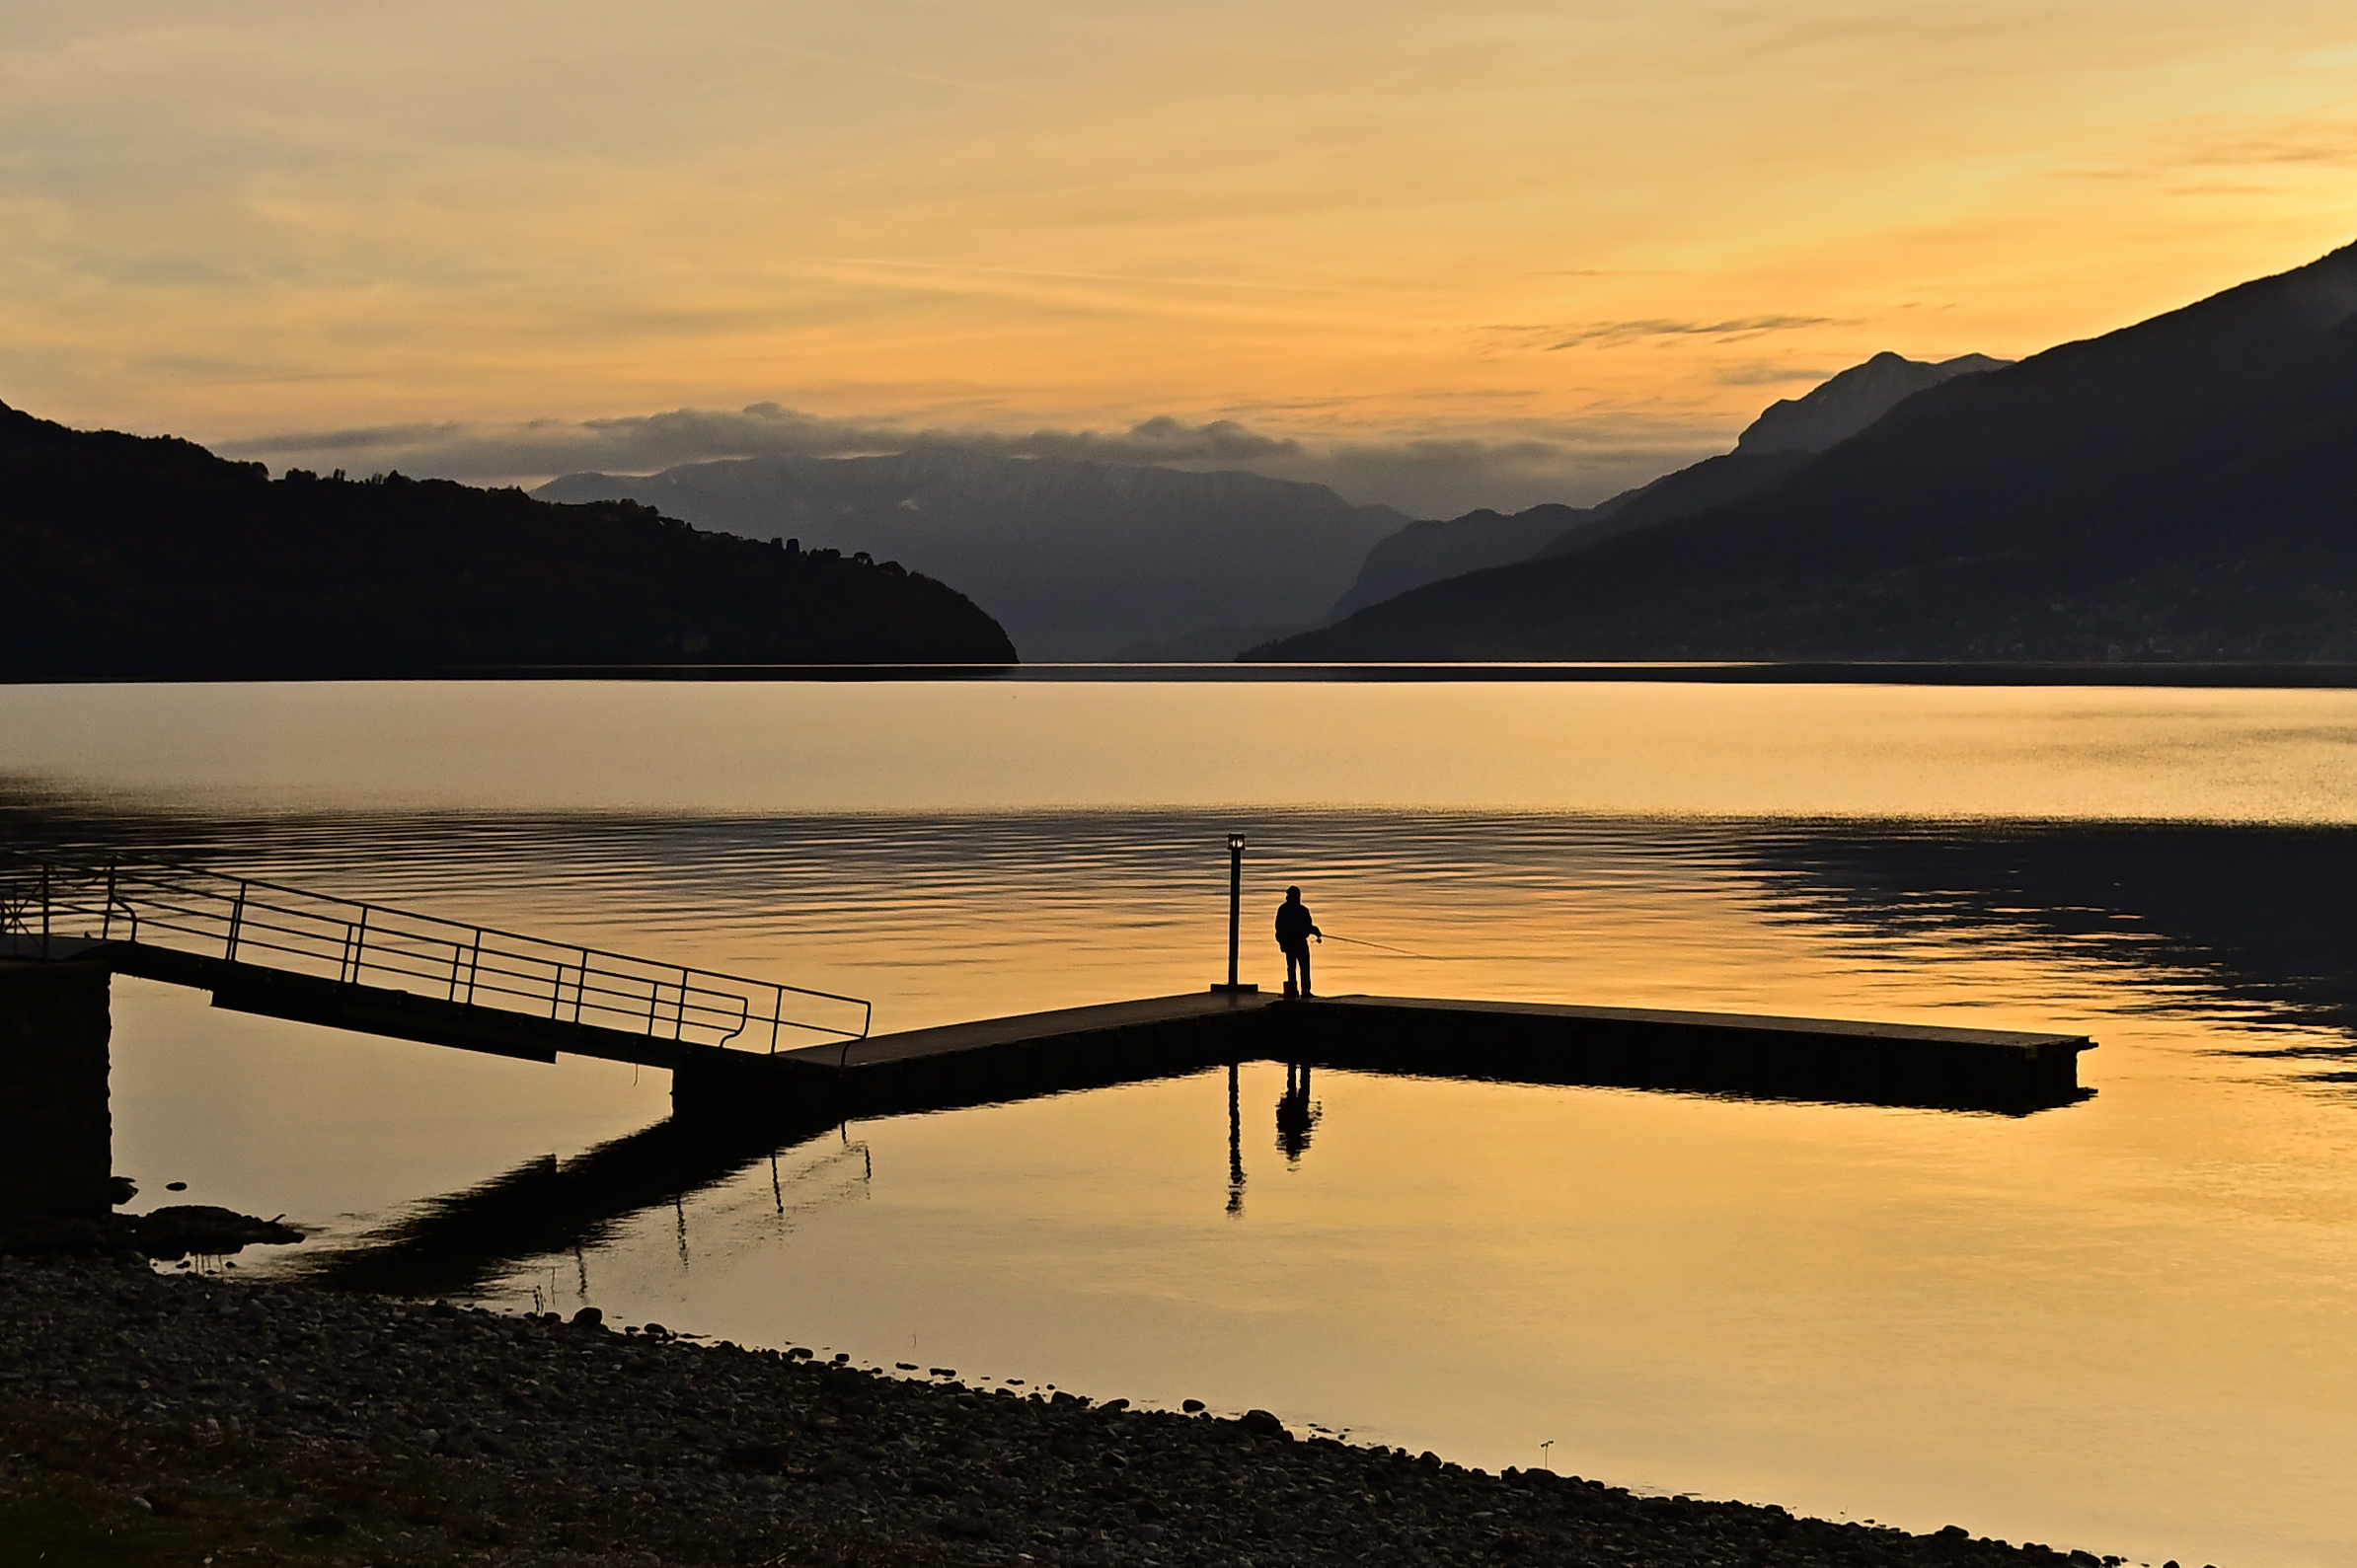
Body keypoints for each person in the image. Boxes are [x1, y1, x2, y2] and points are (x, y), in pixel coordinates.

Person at [1273, 885, 1322, 998]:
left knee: (1291, 968)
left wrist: (1282, 943)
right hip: (1299, 943)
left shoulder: (1283, 909)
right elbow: (1307, 927)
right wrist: (1317, 932)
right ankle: (1305, 992)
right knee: (1304, 968)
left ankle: (1293, 991)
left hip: (1289, 944)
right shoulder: (1302, 910)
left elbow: (1278, 928)